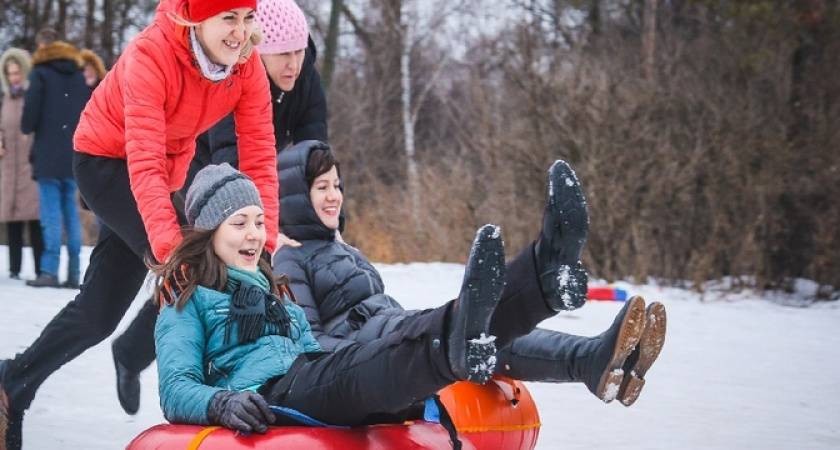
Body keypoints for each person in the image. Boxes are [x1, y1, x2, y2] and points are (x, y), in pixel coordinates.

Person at [0, 1, 279, 448]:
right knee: (198, 264)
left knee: (98, 314)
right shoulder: (153, 55)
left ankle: (15, 381)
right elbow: (143, 164)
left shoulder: (246, 65)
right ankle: (217, 405)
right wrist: (173, 254)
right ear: (197, 18)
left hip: (161, 175)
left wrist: (262, 246)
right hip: (105, 163)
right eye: (228, 18)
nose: (240, 32)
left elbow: (261, 156)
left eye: (248, 18)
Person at [273, 141, 667, 406]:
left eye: (337, 185)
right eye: (321, 186)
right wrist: (369, 357)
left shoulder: (342, 246)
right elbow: (310, 344)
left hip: (392, 325)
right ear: (295, 196)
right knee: (463, 328)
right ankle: (545, 276)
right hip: (371, 353)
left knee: (478, 329)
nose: (334, 196)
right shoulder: (290, 259)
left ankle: (589, 357)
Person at [153, 162, 505, 437]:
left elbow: (317, 356)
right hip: (267, 395)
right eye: (239, 223)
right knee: (354, 370)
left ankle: (471, 319)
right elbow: (175, 388)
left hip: (306, 379)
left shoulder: (279, 296)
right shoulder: (188, 298)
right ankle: (451, 340)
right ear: (209, 234)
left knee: (370, 364)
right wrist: (221, 403)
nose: (254, 235)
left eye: (260, 222)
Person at [110, 0, 328, 416]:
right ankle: (137, 353)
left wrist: (313, 221)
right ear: (260, 50)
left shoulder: (305, 81)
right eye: (284, 54)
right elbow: (233, 155)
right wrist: (253, 223)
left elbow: (313, 157)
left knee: (248, 272)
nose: (294, 63)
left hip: (255, 185)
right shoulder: (234, 70)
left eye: (301, 52)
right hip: (210, 177)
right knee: (205, 274)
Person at [20, 28, 88, 289]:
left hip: (48, 154)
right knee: (71, 212)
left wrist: (28, 129)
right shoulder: (77, 74)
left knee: (50, 213)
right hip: (73, 154)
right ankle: (73, 271)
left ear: (42, 47)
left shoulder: (40, 73)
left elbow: (30, 115)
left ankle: (49, 270)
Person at [0, 48, 43, 280]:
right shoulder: (3, 99)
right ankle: (14, 268)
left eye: (17, 73)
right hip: (8, 166)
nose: (14, 77)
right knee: (12, 219)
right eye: (9, 74)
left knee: (34, 219)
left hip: (29, 165)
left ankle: (38, 268)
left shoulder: (32, 96)